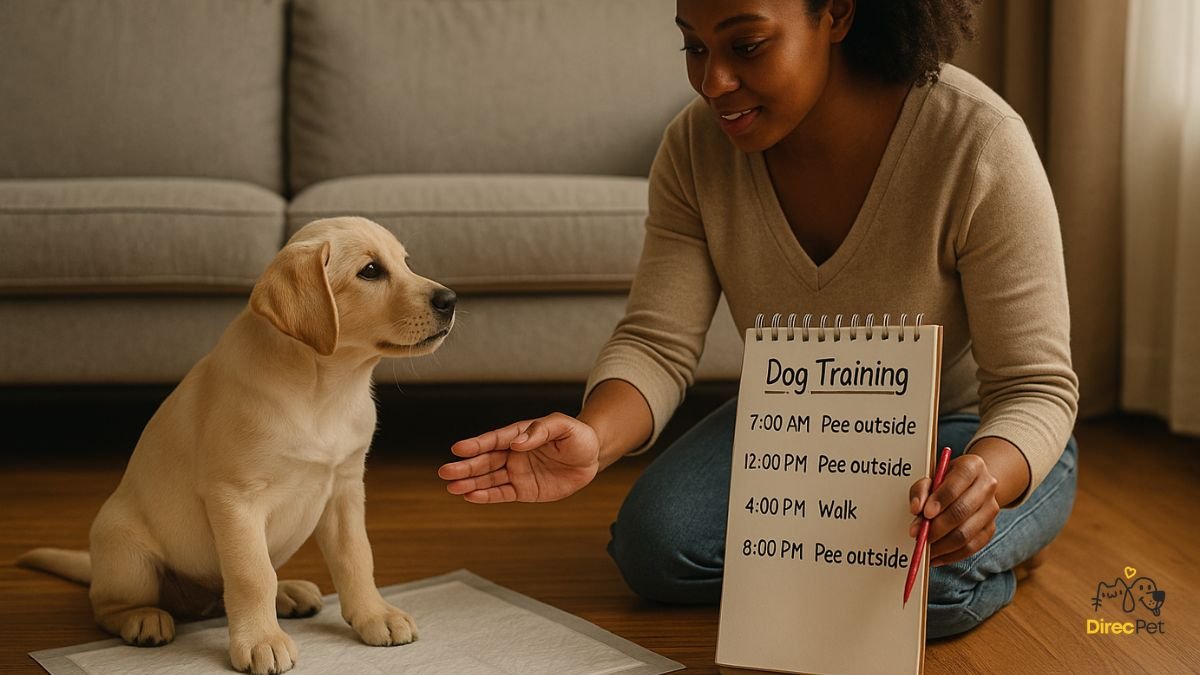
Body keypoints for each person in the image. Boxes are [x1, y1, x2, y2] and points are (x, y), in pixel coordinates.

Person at [437, 0, 1078, 639]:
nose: (713, 82)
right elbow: (656, 343)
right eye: (694, 48)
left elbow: (1034, 387)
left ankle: (1000, 533)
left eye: (746, 47)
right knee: (653, 549)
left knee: (923, 591)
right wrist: (593, 439)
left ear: (838, 15)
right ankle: (839, 560)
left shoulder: (977, 140)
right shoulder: (694, 148)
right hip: (790, 431)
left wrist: (989, 479)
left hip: (963, 436)